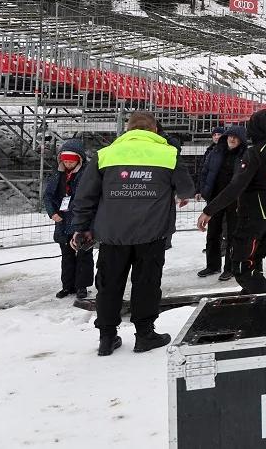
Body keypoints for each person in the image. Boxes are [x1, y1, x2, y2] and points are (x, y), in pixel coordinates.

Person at [70, 111, 194, 356]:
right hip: (152, 233)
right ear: (155, 130)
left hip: (113, 234)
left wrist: (81, 227)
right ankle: (145, 334)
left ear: (127, 130)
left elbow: (85, 196)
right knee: (147, 284)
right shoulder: (168, 154)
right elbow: (187, 189)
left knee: (108, 285)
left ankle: (106, 337)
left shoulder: (105, 155)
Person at [197, 109, 266, 294]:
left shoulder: (255, 153)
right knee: (255, 262)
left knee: (241, 267)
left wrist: (209, 210)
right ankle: (256, 305)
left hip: (253, 217)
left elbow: (236, 186)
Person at [43, 139, 92, 300]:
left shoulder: (86, 174)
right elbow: (48, 195)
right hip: (62, 222)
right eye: (65, 159)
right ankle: (67, 285)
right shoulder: (58, 173)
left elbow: (89, 197)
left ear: (79, 159)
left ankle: (82, 286)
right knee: (67, 255)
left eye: (72, 159)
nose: (68, 163)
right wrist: (52, 213)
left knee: (84, 254)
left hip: (81, 220)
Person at [196, 125, 247, 279]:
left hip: (235, 201)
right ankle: (212, 265)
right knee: (212, 234)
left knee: (232, 235)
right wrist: (202, 190)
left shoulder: (246, 155)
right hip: (215, 199)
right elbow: (204, 172)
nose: (232, 139)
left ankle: (229, 268)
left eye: (236, 137)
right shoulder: (215, 152)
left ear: (241, 140)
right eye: (230, 136)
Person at [195, 126, 224, 197]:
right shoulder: (208, 151)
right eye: (214, 135)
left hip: (224, 190)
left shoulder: (228, 151)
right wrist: (198, 190)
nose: (216, 137)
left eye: (219, 134)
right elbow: (202, 171)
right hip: (210, 190)